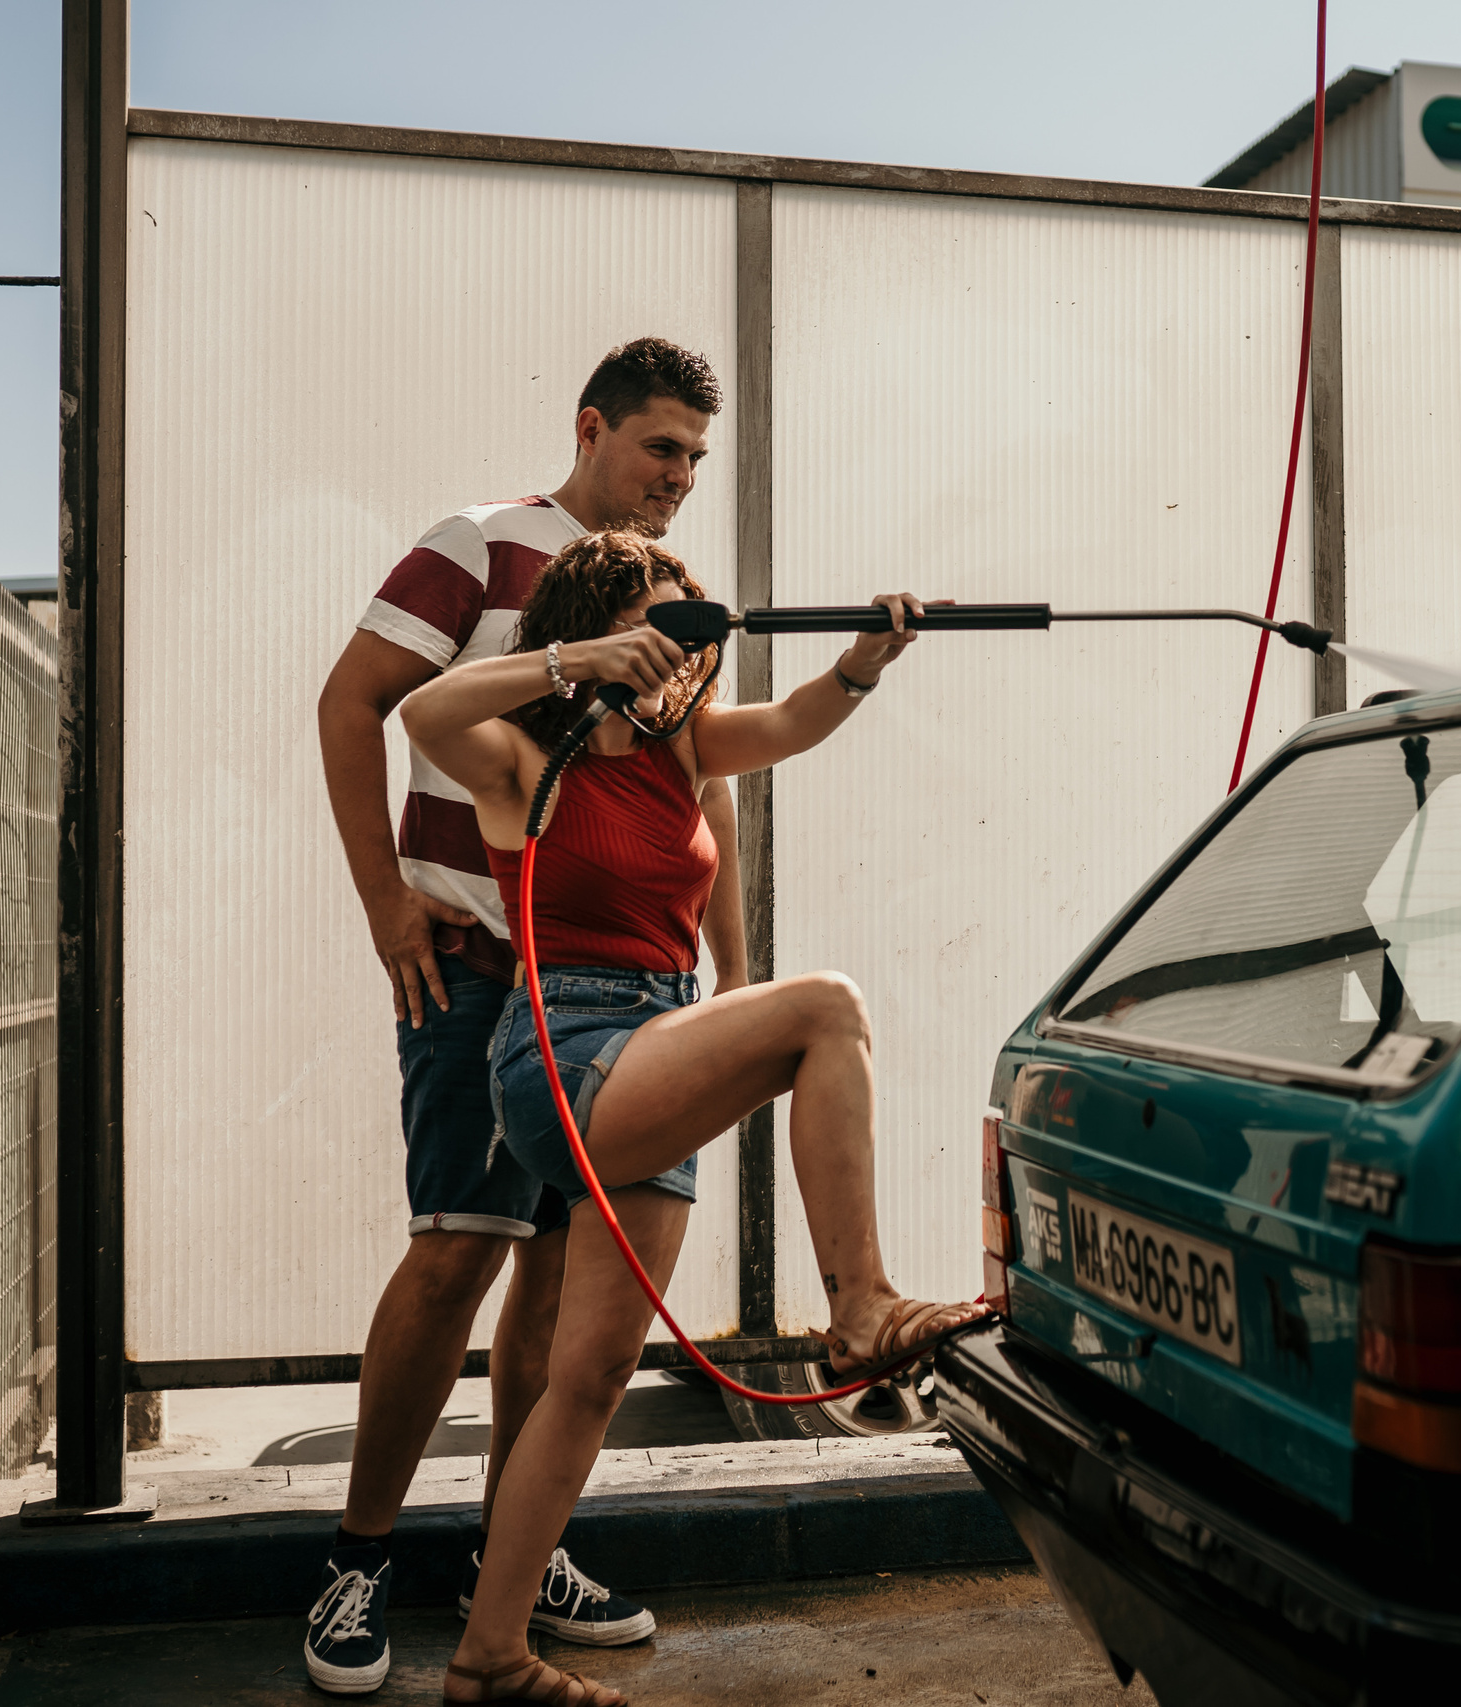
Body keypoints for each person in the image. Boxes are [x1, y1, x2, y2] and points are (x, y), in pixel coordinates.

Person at [398, 530, 984, 1706]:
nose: (678, 653)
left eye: (688, 626)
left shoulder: (686, 752)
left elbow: (796, 723)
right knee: (827, 1008)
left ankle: (490, 1659)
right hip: (563, 1048)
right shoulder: (524, 759)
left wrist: (864, 663)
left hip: (656, 1046)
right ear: (605, 625)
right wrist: (583, 660)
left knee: (596, 1374)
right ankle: (859, 1309)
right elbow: (423, 711)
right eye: (660, 624)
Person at [305, 340, 745, 1695]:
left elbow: (704, 787)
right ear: (591, 427)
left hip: (618, 978)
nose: (677, 477)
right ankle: (358, 1558)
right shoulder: (483, 544)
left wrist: (734, 966)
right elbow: (355, 702)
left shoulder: (677, 597)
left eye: (694, 459)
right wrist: (385, 898)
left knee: (557, 1295)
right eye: (659, 447)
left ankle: (514, 1550)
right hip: (475, 961)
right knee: (455, 1256)